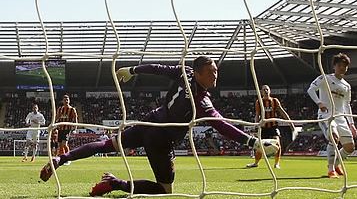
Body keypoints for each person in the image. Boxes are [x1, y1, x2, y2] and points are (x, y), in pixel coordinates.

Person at [40, 56, 278, 196]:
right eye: (210, 73)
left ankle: (60, 159)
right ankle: (115, 183)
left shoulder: (183, 72)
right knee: (165, 190)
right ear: (197, 73)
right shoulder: (202, 100)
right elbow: (220, 125)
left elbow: (157, 69)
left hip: (148, 121)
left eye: (216, 72)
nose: (215, 76)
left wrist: (132, 70)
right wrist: (253, 141)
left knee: (107, 143)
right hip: (161, 139)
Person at [307, 53, 357, 179]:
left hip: (341, 118)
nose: (342, 68)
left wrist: (351, 124)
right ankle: (330, 170)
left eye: (345, 66)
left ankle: (336, 164)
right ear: (334, 66)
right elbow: (311, 90)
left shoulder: (347, 86)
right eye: (339, 65)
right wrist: (319, 103)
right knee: (334, 138)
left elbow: (347, 105)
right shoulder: (325, 78)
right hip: (326, 115)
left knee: (350, 147)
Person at [246, 84, 296, 169]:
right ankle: (256, 163)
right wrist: (256, 125)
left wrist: (290, 123)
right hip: (264, 127)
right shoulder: (259, 102)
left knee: (278, 144)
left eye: (267, 89)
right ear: (261, 92)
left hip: (273, 126)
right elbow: (257, 115)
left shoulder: (275, 101)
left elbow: (282, 112)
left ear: (270, 91)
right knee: (259, 146)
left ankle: (277, 163)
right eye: (264, 90)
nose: (266, 91)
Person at [55, 94, 78, 161]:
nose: (66, 101)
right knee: (60, 145)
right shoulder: (60, 109)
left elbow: (75, 119)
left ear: (69, 101)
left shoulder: (72, 109)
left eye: (67, 100)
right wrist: (55, 124)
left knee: (64, 144)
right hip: (60, 128)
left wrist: (75, 128)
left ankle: (69, 158)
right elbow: (57, 117)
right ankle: (62, 158)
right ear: (63, 101)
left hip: (67, 129)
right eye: (65, 100)